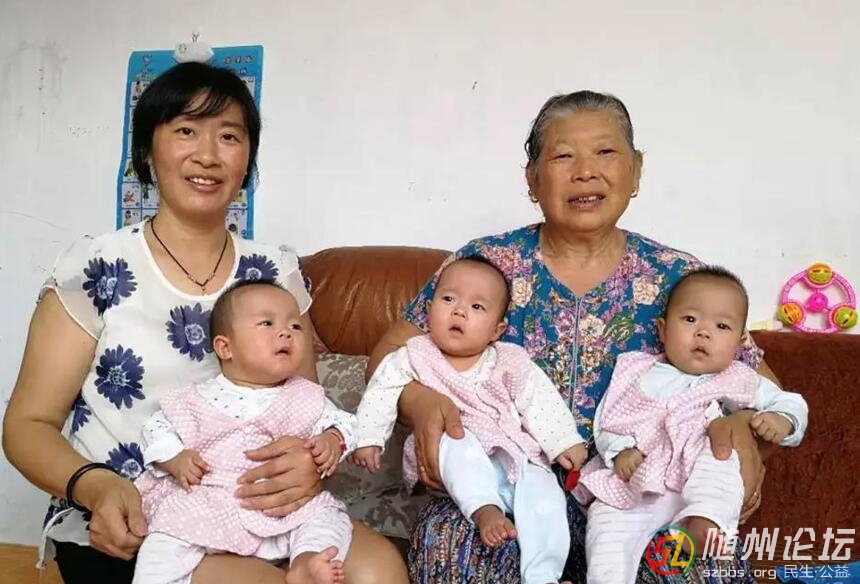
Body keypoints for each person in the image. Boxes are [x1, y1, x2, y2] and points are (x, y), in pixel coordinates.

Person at [2, 62, 407, 584]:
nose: (209, 155)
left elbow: (303, 402)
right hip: (132, 514)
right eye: (186, 131)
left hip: (260, 507)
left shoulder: (275, 272)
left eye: (229, 136)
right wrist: (94, 485)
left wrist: (307, 461)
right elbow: (27, 426)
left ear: (248, 160)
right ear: (147, 151)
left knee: (379, 571)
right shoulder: (94, 269)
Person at [367, 90, 781, 583]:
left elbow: (762, 385)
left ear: (636, 171)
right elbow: (389, 355)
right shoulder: (485, 265)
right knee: (453, 547)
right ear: (532, 179)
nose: (585, 171)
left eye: (605, 152)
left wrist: (744, 425)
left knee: (697, 565)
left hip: (646, 494)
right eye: (563, 156)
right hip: (507, 483)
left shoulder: (682, 278)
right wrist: (419, 402)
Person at [352, 257, 587, 584]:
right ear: (429, 310)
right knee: (457, 440)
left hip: (511, 454)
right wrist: (368, 438)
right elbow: (382, 387)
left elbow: (539, 399)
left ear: (497, 330)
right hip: (455, 452)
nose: (459, 311)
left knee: (545, 496)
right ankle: (483, 508)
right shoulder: (415, 354)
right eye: (449, 299)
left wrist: (563, 440)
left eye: (477, 307)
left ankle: (543, 576)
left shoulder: (508, 360)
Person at [576, 267, 808, 584]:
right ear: (662, 330)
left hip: (695, 477)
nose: (703, 333)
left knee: (722, 456)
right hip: (638, 481)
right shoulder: (636, 370)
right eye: (689, 320)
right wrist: (620, 451)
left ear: (740, 342)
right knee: (606, 529)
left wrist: (783, 419)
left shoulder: (739, 377)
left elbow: (790, 401)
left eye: (722, 326)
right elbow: (607, 418)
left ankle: (706, 521)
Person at [134, 281, 357, 584]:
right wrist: (174, 458)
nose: (286, 332)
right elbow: (156, 429)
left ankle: (305, 563)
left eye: (295, 326)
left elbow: (346, 423)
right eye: (267, 323)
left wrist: (333, 439)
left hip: (280, 506)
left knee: (328, 517)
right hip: (207, 502)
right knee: (165, 537)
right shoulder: (194, 398)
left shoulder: (305, 396)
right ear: (225, 347)